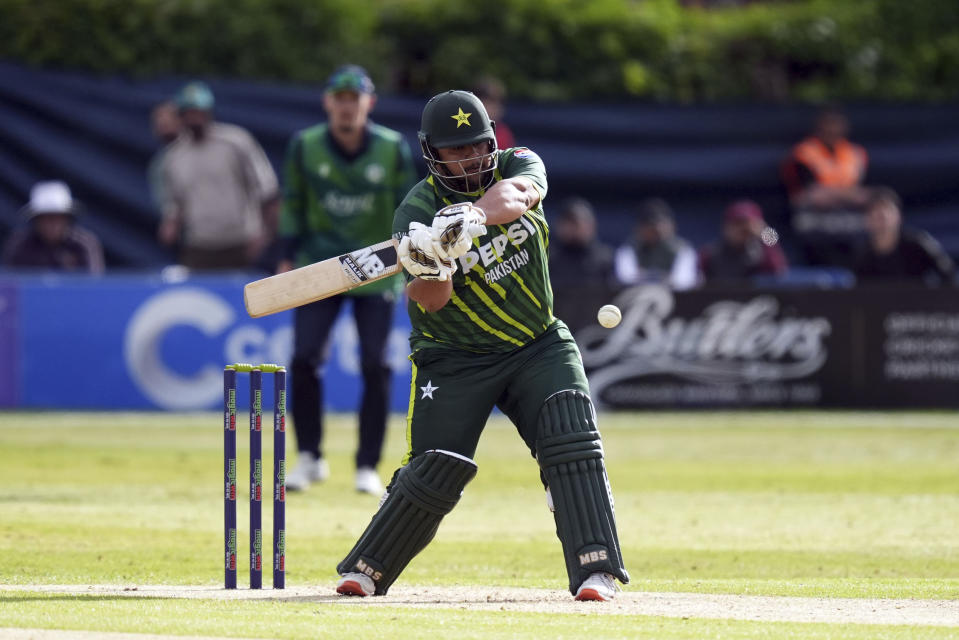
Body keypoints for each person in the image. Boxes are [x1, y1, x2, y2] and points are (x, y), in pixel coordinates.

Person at [334, 90, 630, 602]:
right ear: (433, 154)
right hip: (454, 356)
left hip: (537, 342)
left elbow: (518, 197)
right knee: (436, 466)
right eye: (457, 151)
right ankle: (369, 569)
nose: (471, 158)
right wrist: (434, 258)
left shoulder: (518, 163)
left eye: (477, 146)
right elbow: (431, 301)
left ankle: (594, 570)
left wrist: (469, 219)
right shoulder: (416, 211)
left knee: (571, 440)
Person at [279, 65, 417, 496]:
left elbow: (409, 206)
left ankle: (367, 466)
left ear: (368, 104)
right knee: (304, 359)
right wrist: (286, 255)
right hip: (319, 266)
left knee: (375, 363)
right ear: (327, 103)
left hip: (376, 266)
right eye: (338, 99)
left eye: (353, 99)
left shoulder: (392, 148)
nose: (346, 107)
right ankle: (309, 457)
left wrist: (410, 260)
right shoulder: (305, 146)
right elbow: (292, 202)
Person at [158, 81, 279, 270]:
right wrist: (171, 223)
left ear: (209, 112)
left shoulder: (236, 141)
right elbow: (174, 202)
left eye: (198, 111)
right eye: (188, 113)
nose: (194, 118)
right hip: (198, 247)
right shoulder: (174, 157)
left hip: (242, 243)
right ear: (181, 116)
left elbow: (267, 188)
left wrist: (264, 236)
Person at [781, 106, 871, 267]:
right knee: (776, 234)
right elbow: (812, 196)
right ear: (818, 127)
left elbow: (863, 195)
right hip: (811, 216)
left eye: (836, 125)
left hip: (849, 215)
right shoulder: (805, 153)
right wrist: (847, 195)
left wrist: (835, 195)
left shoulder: (855, 153)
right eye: (828, 125)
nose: (832, 130)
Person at [854, 187, 955, 285]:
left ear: (899, 216)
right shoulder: (863, 253)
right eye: (875, 214)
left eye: (886, 212)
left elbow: (948, 273)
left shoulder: (917, 244)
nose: (882, 219)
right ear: (867, 219)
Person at [2, 181, 104, 273]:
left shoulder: (84, 244)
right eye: (45, 218)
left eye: (57, 218)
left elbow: (95, 284)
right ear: (36, 220)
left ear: (67, 219)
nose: (51, 224)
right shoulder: (19, 245)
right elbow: (8, 285)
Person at [614, 197, 698, 290]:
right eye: (652, 227)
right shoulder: (629, 248)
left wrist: (645, 275)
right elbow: (626, 279)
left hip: (675, 298)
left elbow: (683, 282)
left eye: (663, 225)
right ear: (640, 228)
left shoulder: (682, 248)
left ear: (672, 226)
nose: (658, 230)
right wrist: (661, 277)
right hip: (638, 295)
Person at [699, 199, 787, 284]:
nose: (742, 229)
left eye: (748, 224)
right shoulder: (710, 253)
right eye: (737, 224)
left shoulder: (762, 251)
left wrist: (765, 232)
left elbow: (779, 272)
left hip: (755, 297)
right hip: (720, 297)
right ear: (726, 227)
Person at [147, 101, 181, 217]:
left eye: (169, 117)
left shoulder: (203, 150)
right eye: (158, 119)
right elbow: (163, 204)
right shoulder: (159, 165)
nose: (162, 121)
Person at [472, 76, 516, 150]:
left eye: (499, 104)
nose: (496, 109)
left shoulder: (503, 134)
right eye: (488, 104)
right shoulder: (464, 131)